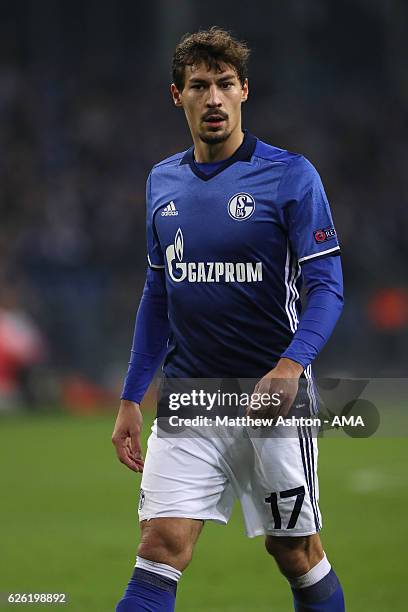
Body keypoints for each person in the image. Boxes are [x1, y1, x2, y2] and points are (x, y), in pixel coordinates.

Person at [112, 27, 345, 612]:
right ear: (177, 96)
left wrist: (292, 367)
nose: (212, 98)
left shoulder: (291, 176)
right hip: (190, 397)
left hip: (273, 401)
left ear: (244, 91)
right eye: (199, 86)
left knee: (294, 552)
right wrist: (131, 396)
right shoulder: (161, 183)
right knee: (159, 545)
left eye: (223, 84)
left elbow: (327, 288)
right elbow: (159, 294)